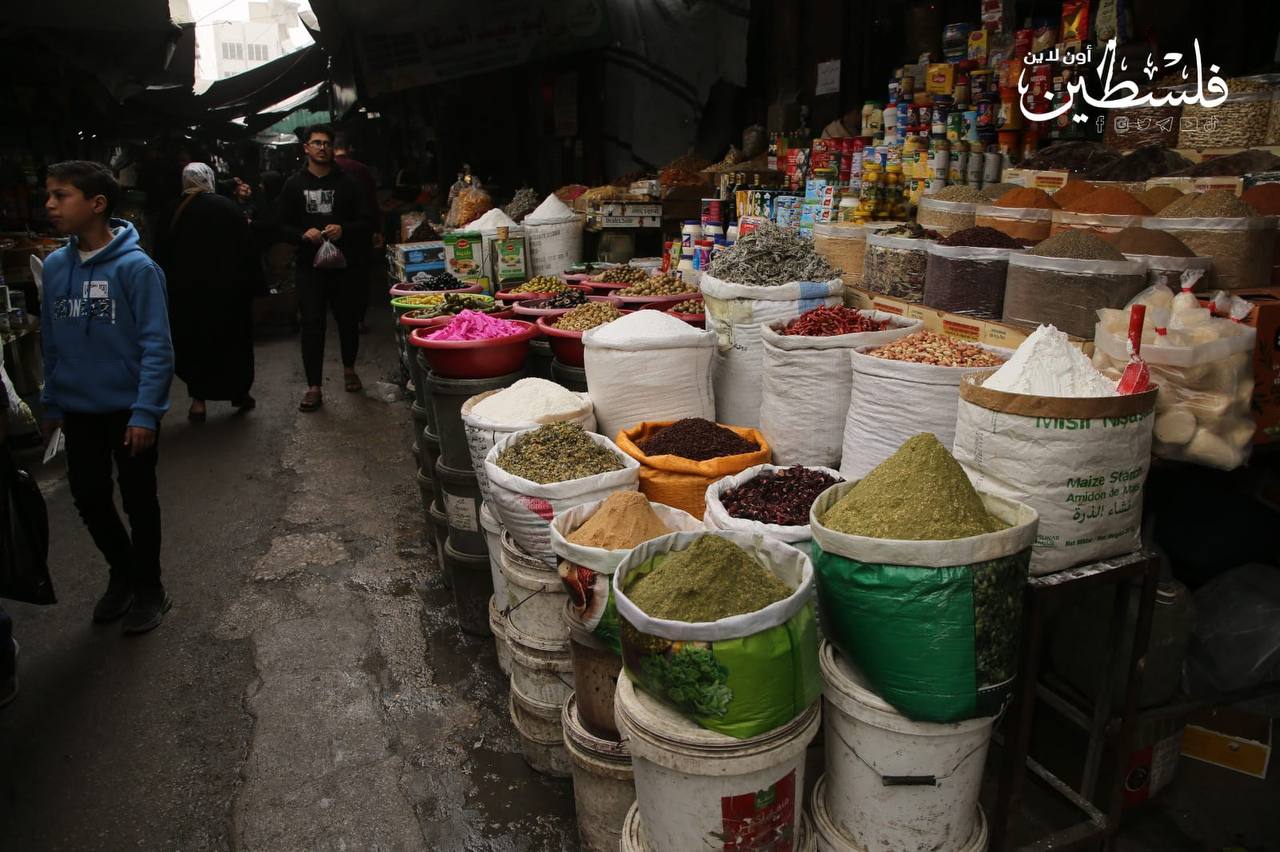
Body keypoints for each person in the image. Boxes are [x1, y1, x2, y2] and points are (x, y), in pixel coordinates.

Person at [40, 160, 175, 635]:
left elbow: (157, 345)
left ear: (97, 204)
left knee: (140, 500)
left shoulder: (138, 269)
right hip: (78, 410)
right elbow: (50, 340)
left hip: (128, 411)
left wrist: (145, 411)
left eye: (61, 195)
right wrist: (51, 400)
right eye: (49, 195)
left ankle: (151, 587)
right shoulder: (54, 267)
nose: (50, 205)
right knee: (89, 496)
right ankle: (124, 572)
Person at [279, 125, 371, 411]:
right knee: (312, 323)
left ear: (333, 148)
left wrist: (344, 229)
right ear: (306, 148)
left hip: (345, 266)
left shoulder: (348, 183)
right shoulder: (293, 185)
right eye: (316, 143)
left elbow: (367, 221)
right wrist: (301, 235)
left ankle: (348, 368)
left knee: (347, 319)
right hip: (310, 267)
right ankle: (314, 386)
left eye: (327, 143)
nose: (322, 147)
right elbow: (280, 225)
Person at [156, 163, 258, 421]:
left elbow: (161, 252)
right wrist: (255, 285)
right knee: (234, 342)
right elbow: (247, 248)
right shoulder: (227, 207)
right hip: (229, 293)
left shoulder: (171, 210)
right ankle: (239, 392)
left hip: (187, 293)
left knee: (195, 343)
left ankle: (198, 401)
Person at [333, 132, 380, 331]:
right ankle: (358, 318)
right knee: (359, 277)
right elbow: (371, 201)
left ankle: (343, 317)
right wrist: (376, 229)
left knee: (338, 276)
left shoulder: (328, 170)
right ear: (349, 148)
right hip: (360, 232)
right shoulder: (360, 169)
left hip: (334, 233)